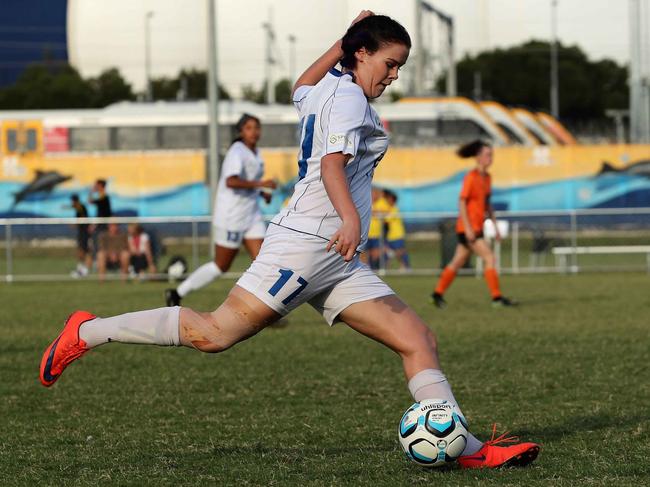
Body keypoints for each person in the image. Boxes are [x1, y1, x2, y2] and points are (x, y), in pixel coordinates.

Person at [39, 12, 538, 469]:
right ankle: (86, 332)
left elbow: (300, 84)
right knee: (214, 334)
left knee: (418, 340)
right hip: (307, 244)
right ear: (362, 54)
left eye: (400, 67)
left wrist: (340, 42)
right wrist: (348, 218)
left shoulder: (328, 88)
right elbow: (331, 165)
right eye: (390, 63)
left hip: (335, 256)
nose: (393, 75)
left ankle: (467, 449)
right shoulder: (346, 99)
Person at [165, 114, 276, 306]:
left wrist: (260, 192)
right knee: (221, 266)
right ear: (240, 131)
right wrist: (260, 183)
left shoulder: (255, 152)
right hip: (231, 216)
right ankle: (177, 293)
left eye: (257, 127)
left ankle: (263, 309)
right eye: (249, 128)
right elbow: (231, 181)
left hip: (251, 214)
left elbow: (245, 183)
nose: (254, 132)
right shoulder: (237, 151)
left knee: (264, 263)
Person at [431, 140, 515, 309]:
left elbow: (487, 204)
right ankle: (497, 298)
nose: (490, 158)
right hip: (468, 229)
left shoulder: (487, 178)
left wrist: (496, 226)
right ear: (478, 157)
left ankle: (437, 294)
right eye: (487, 155)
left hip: (477, 227)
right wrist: (468, 228)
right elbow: (462, 201)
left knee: (457, 262)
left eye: (491, 155)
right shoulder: (471, 177)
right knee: (490, 258)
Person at [383, 189, 410, 272]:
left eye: (388, 199)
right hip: (391, 235)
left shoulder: (394, 209)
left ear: (392, 200)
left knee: (399, 251)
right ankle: (386, 267)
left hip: (397, 234)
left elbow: (386, 219)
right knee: (388, 250)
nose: (387, 200)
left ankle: (405, 266)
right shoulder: (390, 209)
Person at [365, 186, 390, 270]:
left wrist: (373, 212)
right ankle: (367, 269)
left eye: (374, 193)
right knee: (364, 253)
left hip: (376, 234)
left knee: (375, 253)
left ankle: (375, 268)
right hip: (365, 233)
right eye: (371, 193)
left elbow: (386, 213)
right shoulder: (366, 201)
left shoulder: (382, 202)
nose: (373, 195)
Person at [69, 194, 92, 278]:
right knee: (81, 250)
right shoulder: (79, 208)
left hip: (84, 233)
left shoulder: (81, 208)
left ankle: (84, 270)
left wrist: (75, 224)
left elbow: (83, 220)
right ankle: (81, 268)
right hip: (82, 232)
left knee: (85, 251)